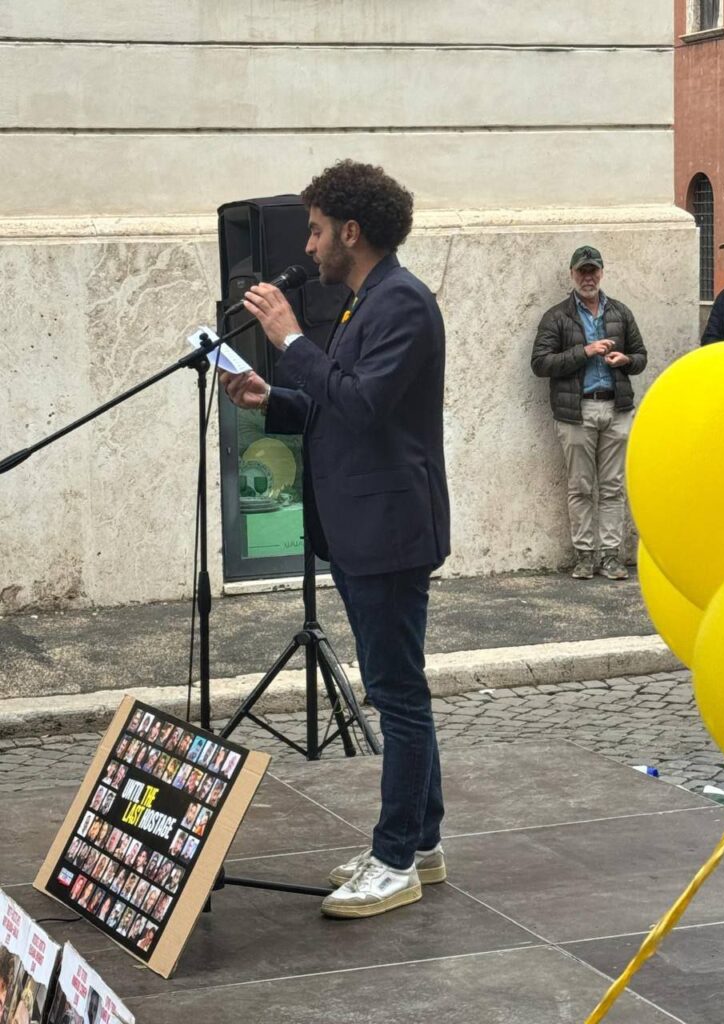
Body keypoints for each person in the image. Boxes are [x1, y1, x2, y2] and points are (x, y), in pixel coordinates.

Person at [220, 159, 450, 919]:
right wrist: (272, 397)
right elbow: (337, 403)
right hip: (362, 527)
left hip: (388, 530)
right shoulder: (364, 303)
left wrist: (289, 340)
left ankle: (395, 859)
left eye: (317, 230)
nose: (309, 245)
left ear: (352, 231)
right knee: (398, 688)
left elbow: (364, 406)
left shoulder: (401, 302)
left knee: (396, 696)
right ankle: (421, 843)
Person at [531, 245, 647, 581]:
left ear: (601, 272)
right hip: (577, 412)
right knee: (580, 486)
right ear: (572, 274)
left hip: (616, 408)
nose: (588, 277)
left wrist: (626, 360)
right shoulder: (557, 316)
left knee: (613, 487)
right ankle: (584, 555)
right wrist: (585, 351)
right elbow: (540, 363)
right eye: (582, 271)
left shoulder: (621, 312)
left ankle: (610, 555)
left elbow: (641, 356)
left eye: (593, 270)